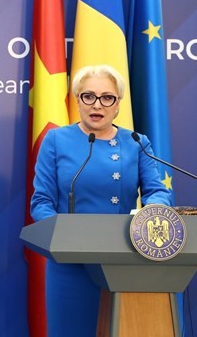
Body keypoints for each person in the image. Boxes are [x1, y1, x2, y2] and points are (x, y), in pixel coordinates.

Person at [30, 64, 171, 336]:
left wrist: (153, 212)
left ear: (118, 104)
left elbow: (158, 191)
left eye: (107, 97)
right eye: (88, 96)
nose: (98, 105)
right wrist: (64, 236)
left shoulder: (136, 142)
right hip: (71, 264)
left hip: (125, 260)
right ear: (77, 99)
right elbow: (41, 203)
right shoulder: (56, 139)